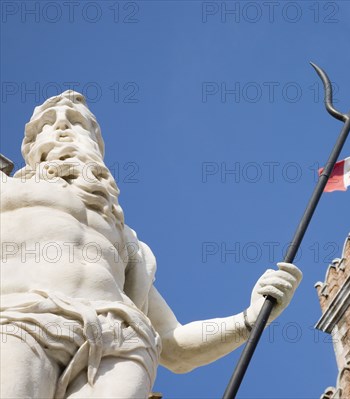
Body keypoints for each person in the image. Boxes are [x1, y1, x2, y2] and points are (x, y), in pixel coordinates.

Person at [0, 90, 302, 398]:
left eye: (77, 122)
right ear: (31, 146)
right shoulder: (7, 190)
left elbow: (173, 346)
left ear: (96, 145)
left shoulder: (130, 244)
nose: (63, 127)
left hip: (120, 341)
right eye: (48, 123)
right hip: (22, 320)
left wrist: (247, 320)